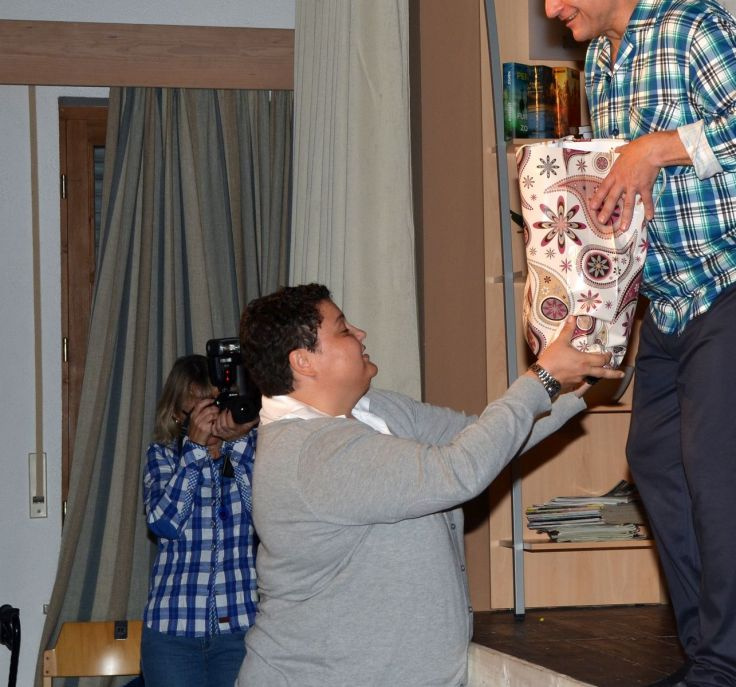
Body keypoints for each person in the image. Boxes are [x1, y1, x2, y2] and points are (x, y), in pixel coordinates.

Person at [534, 0, 736, 686]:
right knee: (655, 459)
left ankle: (726, 663)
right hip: (672, 290)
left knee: (715, 464)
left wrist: (660, 147)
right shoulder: (601, 59)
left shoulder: (692, 25)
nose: (552, 7)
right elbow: (627, 189)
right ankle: (708, 652)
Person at [235, 284, 619, 687]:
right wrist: (540, 378)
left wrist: (581, 388)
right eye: (344, 329)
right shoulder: (314, 453)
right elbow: (457, 471)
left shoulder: (374, 409)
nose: (361, 333)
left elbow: (485, 440)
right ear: (303, 361)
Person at [142, 354, 258, 687]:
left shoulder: (251, 450)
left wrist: (238, 441)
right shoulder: (163, 455)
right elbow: (163, 524)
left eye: (215, 405)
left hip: (240, 626)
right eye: (198, 409)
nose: (210, 419)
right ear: (178, 414)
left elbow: (267, 516)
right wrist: (193, 450)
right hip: (173, 631)